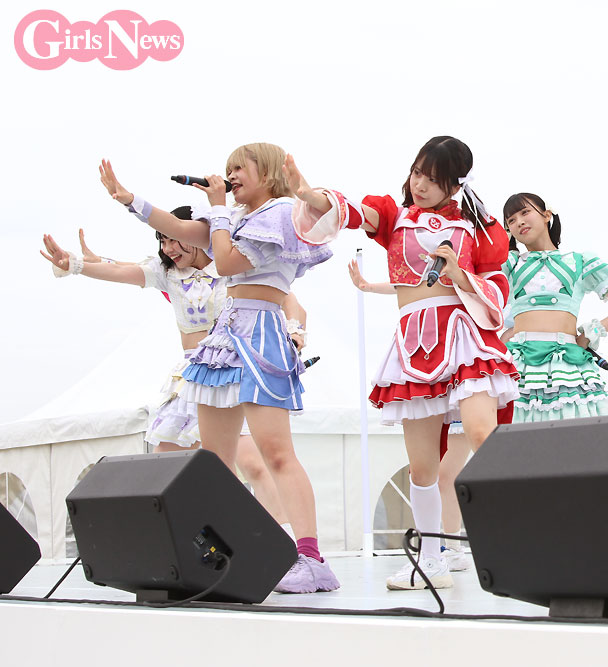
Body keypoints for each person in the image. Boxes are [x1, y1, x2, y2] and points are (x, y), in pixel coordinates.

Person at [97, 143, 338, 594]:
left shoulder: (280, 213)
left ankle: (311, 559)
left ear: (268, 172)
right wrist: (129, 200)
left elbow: (225, 262)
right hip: (224, 338)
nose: (231, 174)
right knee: (215, 464)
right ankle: (227, 555)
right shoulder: (236, 217)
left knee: (276, 453)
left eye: (239, 167)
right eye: (228, 169)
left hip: (261, 334)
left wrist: (218, 207)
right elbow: (178, 228)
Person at [286, 136, 518, 590]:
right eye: (417, 174)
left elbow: (497, 291)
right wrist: (307, 192)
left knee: (482, 434)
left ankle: (518, 537)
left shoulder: (481, 228)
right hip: (413, 345)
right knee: (421, 466)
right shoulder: (395, 216)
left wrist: (458, 274)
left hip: (464, 337)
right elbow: (353, 213)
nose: (420, 185)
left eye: (433, 179)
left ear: (456, 183)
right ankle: (432, 560)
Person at [39, 221, 293, 525]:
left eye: (174, 239)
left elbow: (286, 301)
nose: (168, 248)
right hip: (191, 375)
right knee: (167, 462)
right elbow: (121, 271)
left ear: (196, 236)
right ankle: (198, 535)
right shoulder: (168, 274)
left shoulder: (233, 268)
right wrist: (76, 265)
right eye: (163, 241)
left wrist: (294, 334)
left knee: (253, 464)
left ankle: (282, 537)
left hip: (232, 372)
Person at [348, 259, 473, 572]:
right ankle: (443, 548)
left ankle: (453, 547)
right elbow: (408, 282)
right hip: (430, 365)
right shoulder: (423, 262)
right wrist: (367, 286)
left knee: (448, 474)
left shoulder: (473, 266)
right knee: (432, 473)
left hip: (466, 368)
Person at [501, 193, 608, 421]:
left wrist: (590, 333)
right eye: (511, 220)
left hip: (567, 364)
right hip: (519, 363)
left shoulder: (579, 261)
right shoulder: (510, 264)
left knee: (572, 435)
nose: (520, 222)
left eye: (525, 212)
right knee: (516, 436)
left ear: (547, 215)